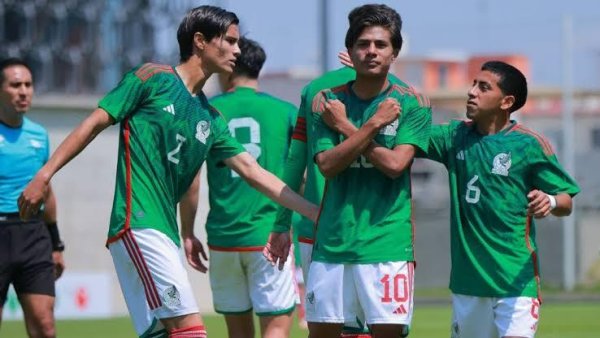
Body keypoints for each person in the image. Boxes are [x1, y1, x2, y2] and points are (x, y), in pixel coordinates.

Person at [17, 6, 317, 338]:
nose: (237, 50)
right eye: (230, 41)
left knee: (161, 334)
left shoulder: (210, 117)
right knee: (190, 330)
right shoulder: (152, 78)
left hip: (163, 233)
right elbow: (93, 124)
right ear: (200, 41)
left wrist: (315, 212)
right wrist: (45, 174)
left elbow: (252, 171)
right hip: (140, 225)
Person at [267, 4, 432, 338]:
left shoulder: (411, 103)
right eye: (363, 44)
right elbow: (327, 166)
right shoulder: (326, 101)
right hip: (332, 241)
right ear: (350, 52)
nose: (371, 51)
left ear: (394, 52)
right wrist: (371, 125)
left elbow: (395, 166)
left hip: (386, 243)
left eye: (381, 45)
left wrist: (345, 126)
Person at [420, 61, 579, 338]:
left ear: (506, 101)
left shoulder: (528, 144)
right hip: (468, 283)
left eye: (483, 87)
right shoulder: (453, 137)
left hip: (516, 282)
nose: (472, 92)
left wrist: (550, 201)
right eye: (473, 84)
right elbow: (405, 138)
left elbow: (566, 201)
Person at [203, 37, 298, 338]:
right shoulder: (285, 112)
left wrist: (186, 231)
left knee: (237, 333)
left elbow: (190, 180)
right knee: (276, 327)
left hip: (223, 237)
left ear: (228, 67)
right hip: (270, 234)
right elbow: (304, 171)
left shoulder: (208, 109)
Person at [0, 57, 65, 338]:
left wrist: (56, 242)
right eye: (15, 85)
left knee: (45, 326)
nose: (24, 91)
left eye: (28, 85)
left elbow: (45, 190)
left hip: (33, 235)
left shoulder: (39, 134)